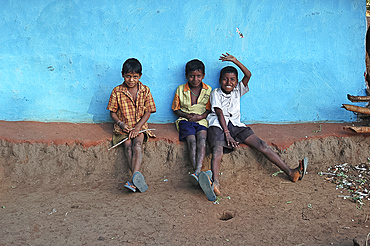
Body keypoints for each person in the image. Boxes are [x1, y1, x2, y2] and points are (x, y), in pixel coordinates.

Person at [200, 53, 308, 201]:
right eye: (225, 79)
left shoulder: (238, 90)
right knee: (217, 149)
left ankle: (290, 172)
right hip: (218, 125)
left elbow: (248, 74)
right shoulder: (215, 93)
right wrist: (227, 134)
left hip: (236, 125)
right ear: (219, 80)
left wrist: (235, 61)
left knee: (262, 144)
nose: (228, 82)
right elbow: (219, 113)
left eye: (232, 79)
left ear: (237, 82)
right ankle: (215, 183)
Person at [107, 58, 156, 193]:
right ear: (123, 74)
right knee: (128, 147)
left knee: (137, 146)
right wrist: (121, 124)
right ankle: (136, 178)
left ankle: (133, 180)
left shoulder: (145, 90)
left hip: (140, 127)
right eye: (128, 76)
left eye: (135, 77)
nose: (131, 80)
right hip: (124, 128)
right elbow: (113, 113)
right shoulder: (117, 91)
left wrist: (138, 127)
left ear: (140, 76)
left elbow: (148, 111)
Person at [172, 59, 212, 184]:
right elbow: (176, 109)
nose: (195, 79)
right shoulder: (180, 89)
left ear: (203, 76)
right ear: (186, 76)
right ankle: (198, 173)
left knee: (202, 140)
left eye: (198, 76)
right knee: (192, 141)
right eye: (192, 76)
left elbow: (209, 110)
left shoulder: (208, 90)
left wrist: (200, 117)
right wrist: (187, 115)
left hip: (202, 120)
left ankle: (198, 171)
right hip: (185, 120)